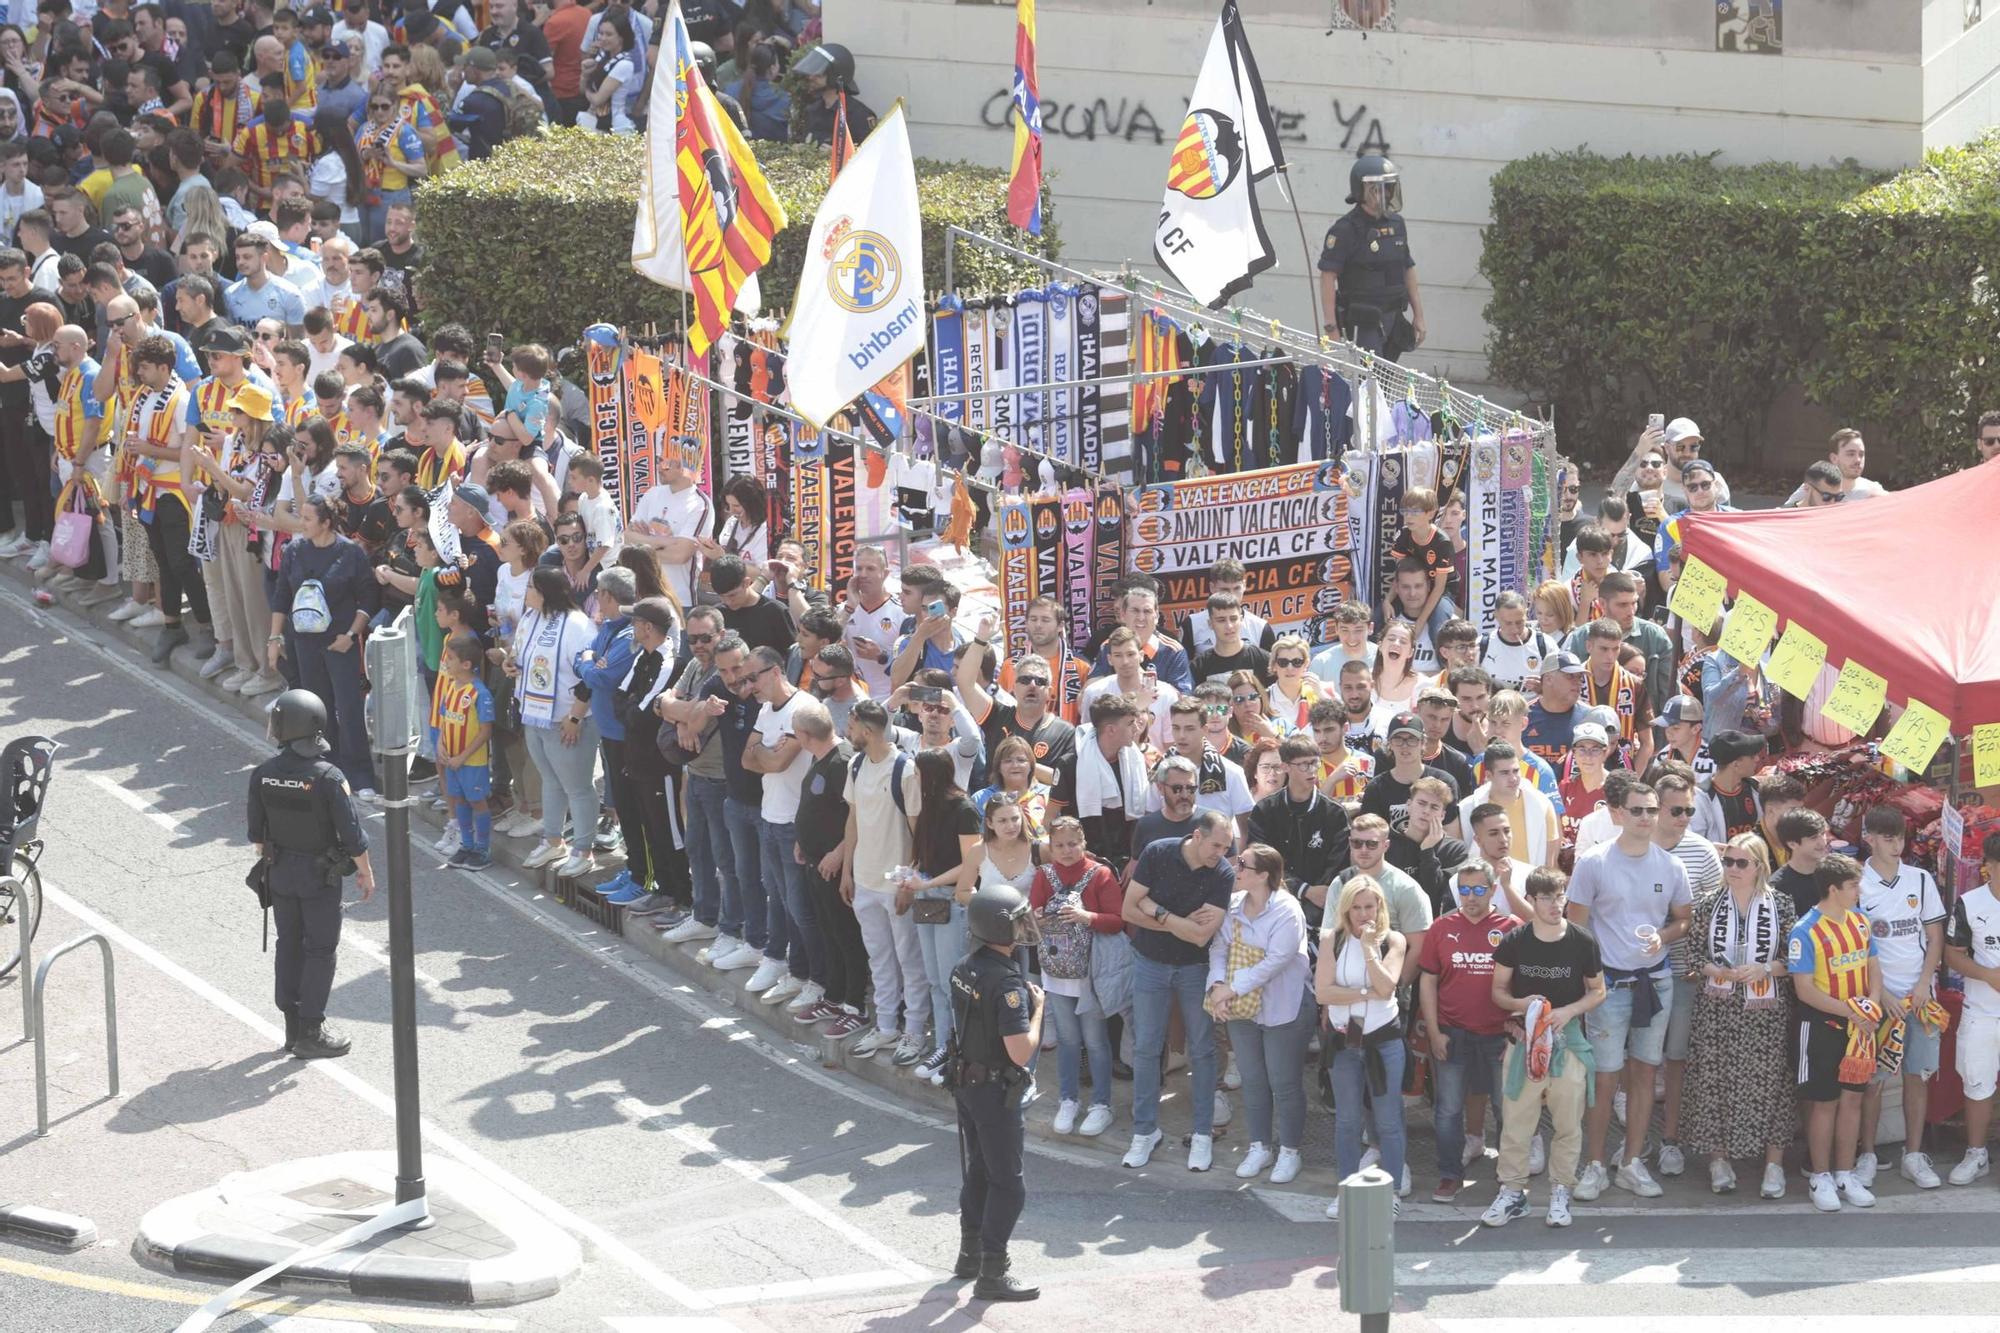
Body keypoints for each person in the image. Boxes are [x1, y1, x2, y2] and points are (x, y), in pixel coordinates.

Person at [1566, 780, 1692, 1202]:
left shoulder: (1671, 866)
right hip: (1608, 985)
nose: (1644, 818)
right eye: (1636, 810)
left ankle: (1631, 1162)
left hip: (1654, 981)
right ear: (1618, 813)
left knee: (1644, 1074)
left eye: (1651, 811)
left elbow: (1683, 919)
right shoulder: (1594, 862)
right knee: (1603, 1080)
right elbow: (1577, 926)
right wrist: (1590, 979)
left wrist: (1664, 937)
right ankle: (1595, 1164)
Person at [247, 688, 376, 1060]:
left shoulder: (263, 774)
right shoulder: (329, 778)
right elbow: (353, 836)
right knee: (320, 950)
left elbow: (256, 835)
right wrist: (365, 874)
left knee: (288, 943)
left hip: (280, 871)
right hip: (319, 877)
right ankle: (311, 1031)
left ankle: (291, 1028)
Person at [1682, 834, 1795, 1198]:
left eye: (1740, 863)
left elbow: (1794, 959)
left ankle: (1773, 1165)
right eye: (1728, 861)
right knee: (1715, 1081)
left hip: (1766, 1011)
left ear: (1759, 867)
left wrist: (1766, 969)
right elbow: (1692, 957)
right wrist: (1715, 970)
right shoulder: (1707, 905)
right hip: (1718, 1008)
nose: (1732, 869)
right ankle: (1719, 1159)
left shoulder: (1781, 905)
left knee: (1772, 1084)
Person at [1121, 808, 1234, 1170]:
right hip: (1150, 963)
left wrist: (1155, 910)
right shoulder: (1157, 852)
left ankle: (1202, 1134)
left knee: (1202, 1051)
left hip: (1195, 969)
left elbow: (1202, 934)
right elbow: (1127, 910)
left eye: (1227, 846)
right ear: (1197, 836)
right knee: (1146, 1047)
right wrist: (1176, 921)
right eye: (1217, 845)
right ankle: (1144, 1132)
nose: (1222, 853)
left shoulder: (1223, 873)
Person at [946, 883, 1042, 1303]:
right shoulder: (1006, 983)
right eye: (1018, 919)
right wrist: (1038, 1010)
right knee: (1009, 1184)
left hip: (966, 1082)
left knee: (980, 1170)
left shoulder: (964, 966)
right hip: (994, 1089)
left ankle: (969, 1256)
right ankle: (992, 1271)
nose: (1025, 925)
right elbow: (1020, 1050)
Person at [1856, 805, 1948, 1191]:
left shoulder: (1921, 879)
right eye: (1888, 837)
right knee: (1872, 1079)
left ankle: (1913, 1154)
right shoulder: (1856, 882)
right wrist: (1884, 994)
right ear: (1870, 838)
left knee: (1917, 1074)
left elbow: (1935, 936)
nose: (1896, 845)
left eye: (1900, 838)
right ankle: (1866, 1155)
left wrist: (1924, 983)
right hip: (1877, 997)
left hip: (1919, 997)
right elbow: (1857, 947)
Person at [1205, 842, 1310, 1184]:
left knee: (1284, 1084)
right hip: (1241, 1009)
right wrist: (1217, 985)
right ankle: (1259, 1146)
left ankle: (1290, 1151)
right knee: (1252, 1080)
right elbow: (1219, 948)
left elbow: (1276, 961)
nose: (1235, 870)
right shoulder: (1233, 905)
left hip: (1283, 1007)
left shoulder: (1287, 909)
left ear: (1263, 875)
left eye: (1243, 865)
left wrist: (1230, 990)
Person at [1422, 858, 1523, 1202]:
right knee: (1449, 1109)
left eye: (1479, 889)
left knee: (1504, 1106)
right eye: (1464, 890)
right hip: (1453, 1033)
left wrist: (1518, 1027)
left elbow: (1523, 983)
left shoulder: (1511, 927)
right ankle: (1450, 1174)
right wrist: (1434, 1032)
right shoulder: (1441, 927)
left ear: (1494, 889)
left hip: (1500, 1035)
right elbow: (1428, 982)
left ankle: (1509, 1177)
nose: (1470, 897)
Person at [1789, 853, 1884, 1212]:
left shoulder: (1861, 920)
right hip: (1822, 1027)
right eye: (1853, 885)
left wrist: (1871, 1007)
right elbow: (1805, 990)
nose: (1860, 890)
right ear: (1833, 889)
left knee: (1852, 1100)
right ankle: (1820, 1176)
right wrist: (1852, 1012)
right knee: (1824, 1103)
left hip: (1860, 1029)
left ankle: (1846, 1173)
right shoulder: (1805, 930)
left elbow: (1874, 968)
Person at [841, 698, 931, 1059]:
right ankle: (887, 1027)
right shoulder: (855, 764)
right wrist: (847, 870)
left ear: (866, 729)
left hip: (896, 885)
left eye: (850, 727)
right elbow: (853, 820)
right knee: (879, 959)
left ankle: (913, 1032)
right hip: (863, 881)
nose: (846, 733)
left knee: (909, 960)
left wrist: (909, 882)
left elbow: (918, 830)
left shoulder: (906, 770)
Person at [1316, 874, 1409, 1219]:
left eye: (1368, 906)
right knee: (1347, 1121)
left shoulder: (1393, 940)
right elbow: (1323, 992)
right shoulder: (1332, 940)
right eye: (1355, 907)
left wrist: (1370, 949)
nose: (1362, 914)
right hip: (1344, 1041)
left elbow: (1388, 987)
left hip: (1383, 1042)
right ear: (1345, 909)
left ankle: (1394, 1190)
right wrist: (1366, 993)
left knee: (1388, 1121)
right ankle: (1345, 1189)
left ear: (1380, 906)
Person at [1031, 815, 1125, 1139]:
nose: (1067, 851)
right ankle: (1068, 1099)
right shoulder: (1043, 875)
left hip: (1091, 974)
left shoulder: (1099, 874)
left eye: (1073, 843)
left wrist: (1087, 917)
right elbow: (1032, 916)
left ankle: (1101, 1104)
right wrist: (1038, 919)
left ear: (1083, 842)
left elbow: (1117, 920)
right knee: (1068, 1041)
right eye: (1059, 845)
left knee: (1096, 1041)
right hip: (1056, 973)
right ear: (1050, 847)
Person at [508, 564, 599, 877]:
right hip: (534, 716)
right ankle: (553, 840)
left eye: (531, 587)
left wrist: (575, 717)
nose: (526, 592)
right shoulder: (531, 618)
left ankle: (584, 851)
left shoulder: (578, 626)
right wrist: (511, 665)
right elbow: (522, 655)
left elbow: (589, 678)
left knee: (577, 787)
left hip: (567, 722)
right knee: (551, 780)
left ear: (545, 593)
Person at [1318, 152, 1423, 360]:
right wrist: (1331, 328)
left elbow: (1408, 268)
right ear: (1361, 190)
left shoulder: (1396, 224)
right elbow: (1327, 276)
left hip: (1394, 318)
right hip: (1363, 323)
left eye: (1389, 187)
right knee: (1366, 383)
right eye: (1376, 189)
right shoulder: (1345, 230)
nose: (1384, 194)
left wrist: (1418, 315)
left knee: (1385, 383)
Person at [1945, 831, 2000, 1186]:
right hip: (1983, 1010)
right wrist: (1988, 975)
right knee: (1977, 1083)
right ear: (1990, 867)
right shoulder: (1968, 903)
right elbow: (1952, 955)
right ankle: (1976, 1153)